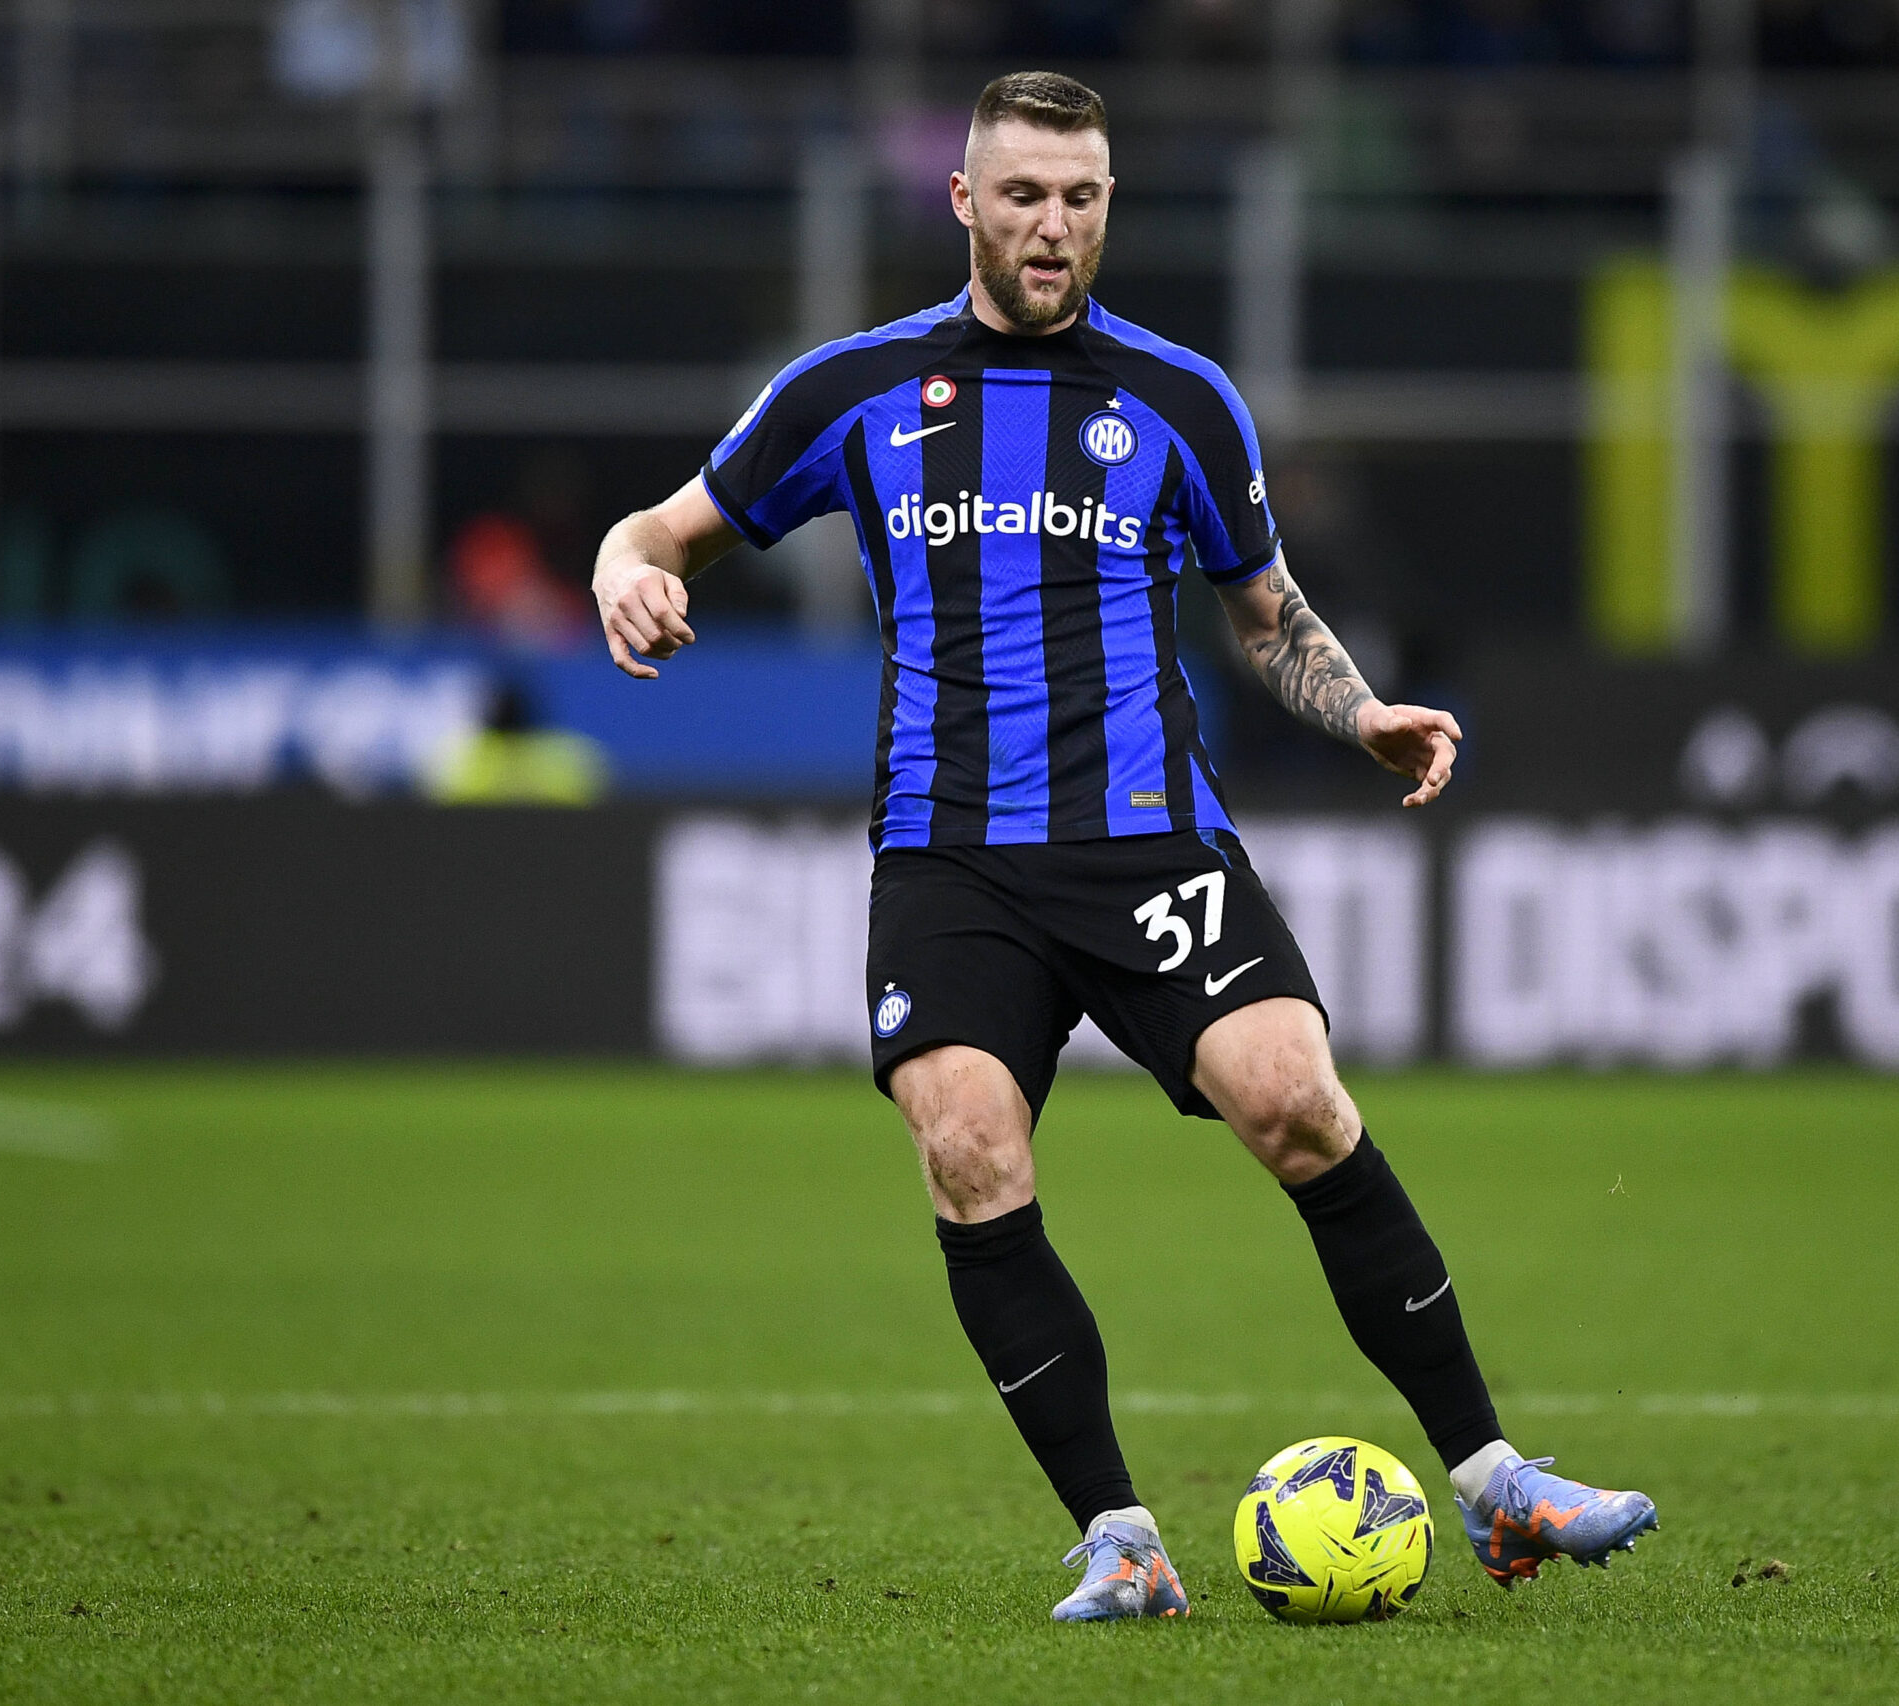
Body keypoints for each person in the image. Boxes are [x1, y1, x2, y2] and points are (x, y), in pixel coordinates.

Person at [591, 70, 1657, 1622]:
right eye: (1022, 194)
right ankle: (1122, 1535)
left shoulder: (1179, 399)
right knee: (968, 1149)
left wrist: (1357, 715)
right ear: (964, 203)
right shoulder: (853, 390)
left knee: (1294, 1102)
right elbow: (661, 526)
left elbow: (1265, 609)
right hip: (950, 854)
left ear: (1108, 210)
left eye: (1081, 197)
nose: (1052, 225)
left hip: (1150, 839)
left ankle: (1495, 1478)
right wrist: (630, 576)